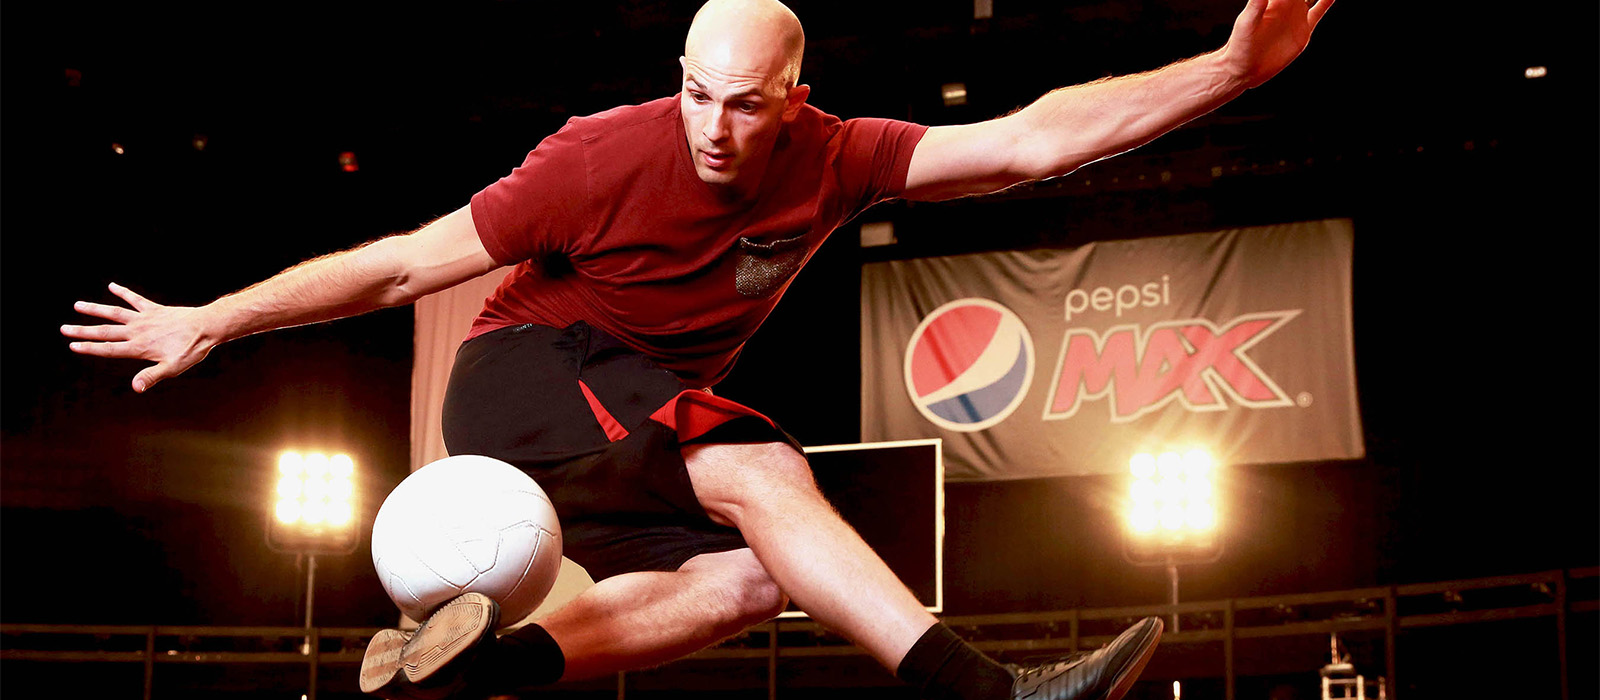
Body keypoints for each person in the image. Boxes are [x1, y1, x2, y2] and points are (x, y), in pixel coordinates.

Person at [62, 0, 1335, 698]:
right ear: (675, 79)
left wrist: (1231, 68)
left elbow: (1030, 138)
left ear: (794, 93)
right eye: (695, 93)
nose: (716, 129)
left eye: (748, 101)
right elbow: (402, 262)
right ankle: (986, 698)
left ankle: (478, 674)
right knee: (760, 469)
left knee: (746, 584)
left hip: (631, 414)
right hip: (533, 375)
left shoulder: (837, 156)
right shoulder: (598, 152)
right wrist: (213, 317)